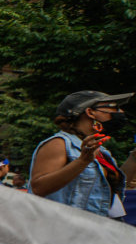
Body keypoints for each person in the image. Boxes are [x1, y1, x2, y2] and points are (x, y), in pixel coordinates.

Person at [28, 90, 131, 218]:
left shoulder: (101, 151)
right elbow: (39, 188)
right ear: (90, 112)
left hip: (98, 229)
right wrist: (82, 162)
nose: (120, 112)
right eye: (113, 107)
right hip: (67, 229)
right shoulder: (59, 144)